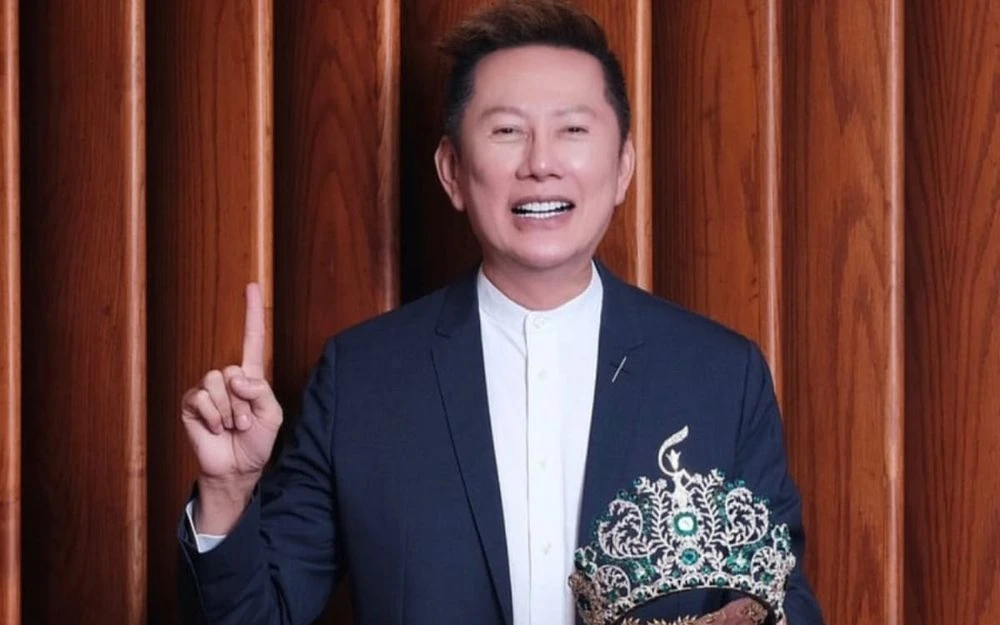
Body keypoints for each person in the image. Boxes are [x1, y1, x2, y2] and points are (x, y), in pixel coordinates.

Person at [176, 1, 824, 624]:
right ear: (452, 171)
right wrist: (228, 493)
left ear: (623, 166)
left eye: (573, 130)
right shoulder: (362, 378)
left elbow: (778, 597)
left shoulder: (720, 377)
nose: (540, 163)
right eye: (508, 130)